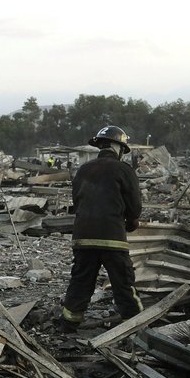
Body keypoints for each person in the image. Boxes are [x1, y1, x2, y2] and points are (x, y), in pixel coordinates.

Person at [59, 126, 143, 332]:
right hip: (112, 237)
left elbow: (77, 202)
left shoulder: (84, 170)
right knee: (123, 282)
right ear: (120, 148)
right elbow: (135, 207)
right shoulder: (124, 170)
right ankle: (133, 326)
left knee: (81, 280)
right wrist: (132, 222)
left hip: (82, 236)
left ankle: (69, 323)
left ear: (100, 146)